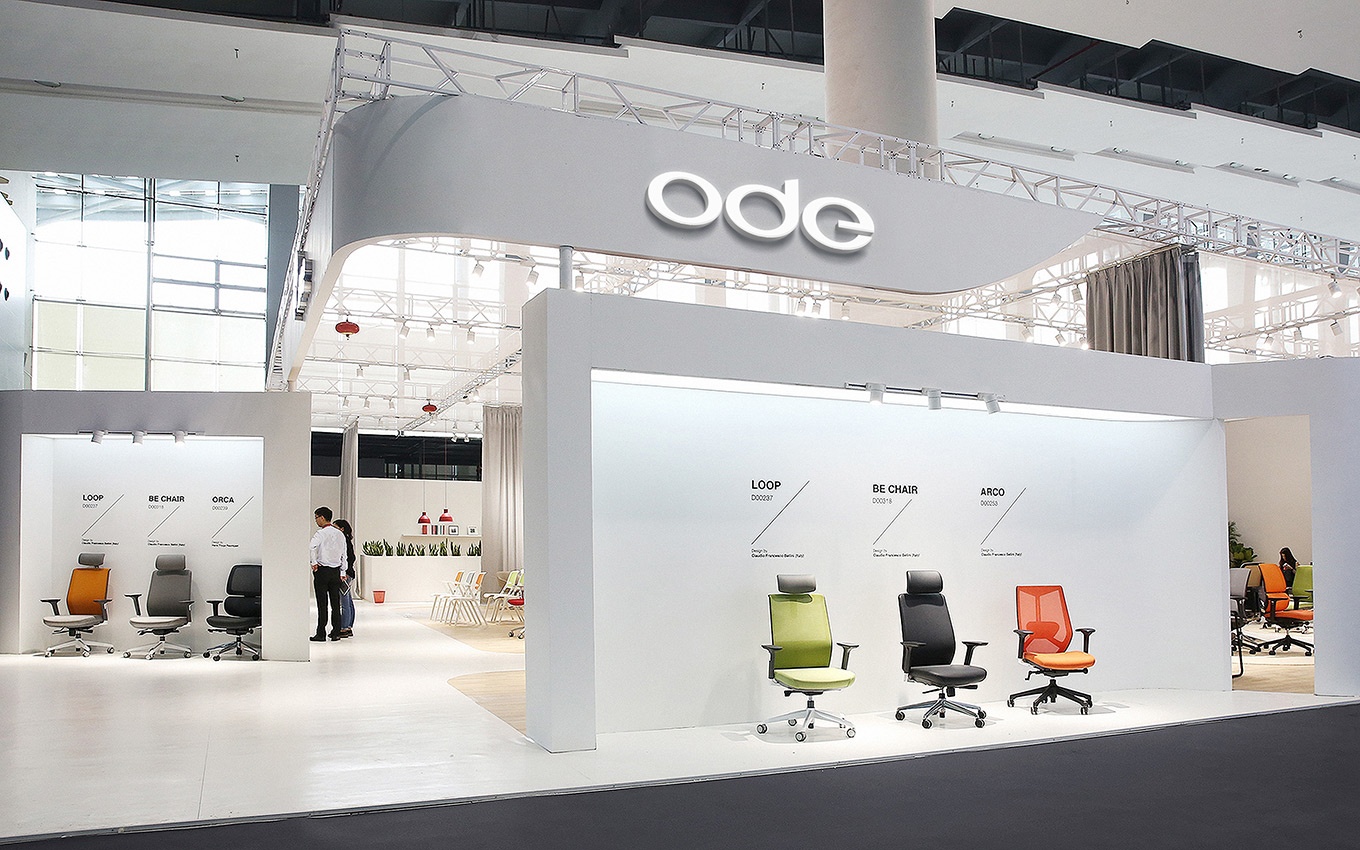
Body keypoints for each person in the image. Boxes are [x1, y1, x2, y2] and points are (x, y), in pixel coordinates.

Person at [309, 506, 347, 641]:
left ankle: (321, 633)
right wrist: (343, 571)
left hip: (322, 571)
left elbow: (312, 546)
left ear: (322, 517)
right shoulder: (340, 534)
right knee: (336, 604)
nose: (316, 520)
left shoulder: (320, 534)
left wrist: (314, 562)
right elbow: (344, 554)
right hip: (336, 571)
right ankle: (336, 632)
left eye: (316, 518)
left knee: (322, 604)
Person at [333, 518, 357, 639]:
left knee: (344, 601)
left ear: (341, 529)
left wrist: (345, 571)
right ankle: (348, 625)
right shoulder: (346, 540)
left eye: (335, 527)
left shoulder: (344, 541)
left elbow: (350, 558)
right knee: (348, 600)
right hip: (349, 573)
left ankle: (344, 627)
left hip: (346, 574)